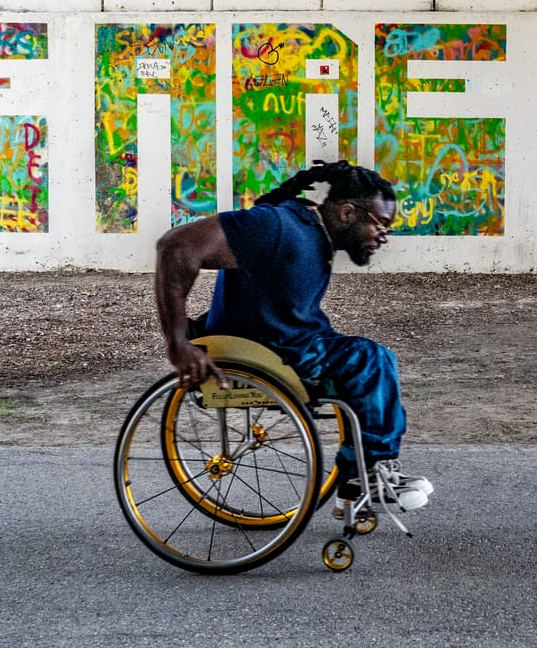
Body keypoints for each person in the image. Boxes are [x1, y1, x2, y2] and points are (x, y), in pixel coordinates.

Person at [154, 159, 432, 511]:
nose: (384, 237)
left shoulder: (313, 235)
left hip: (287, 345)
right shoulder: (277, 225)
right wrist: (177, 342)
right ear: (348, 212)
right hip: (272, 352)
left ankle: (360, 474)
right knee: (372, 360)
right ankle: (370, 472)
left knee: (366, 363)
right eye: (381, 225)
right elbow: (175, 246)